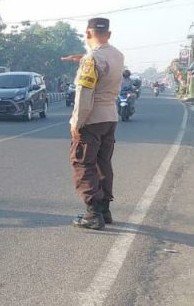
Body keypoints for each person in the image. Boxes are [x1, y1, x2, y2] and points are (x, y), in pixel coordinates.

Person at [65, 17, 125, 230]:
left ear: (87, 34)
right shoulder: (117, 55)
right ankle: (104, 210)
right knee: (103, 163)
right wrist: (83, 59)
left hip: (92, 118)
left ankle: (92, 214)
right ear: (108, 34)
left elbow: (84, 93)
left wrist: (77, 122)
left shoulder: (91, 59)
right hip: (110, 117)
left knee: (82, 163)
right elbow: (105, 65)